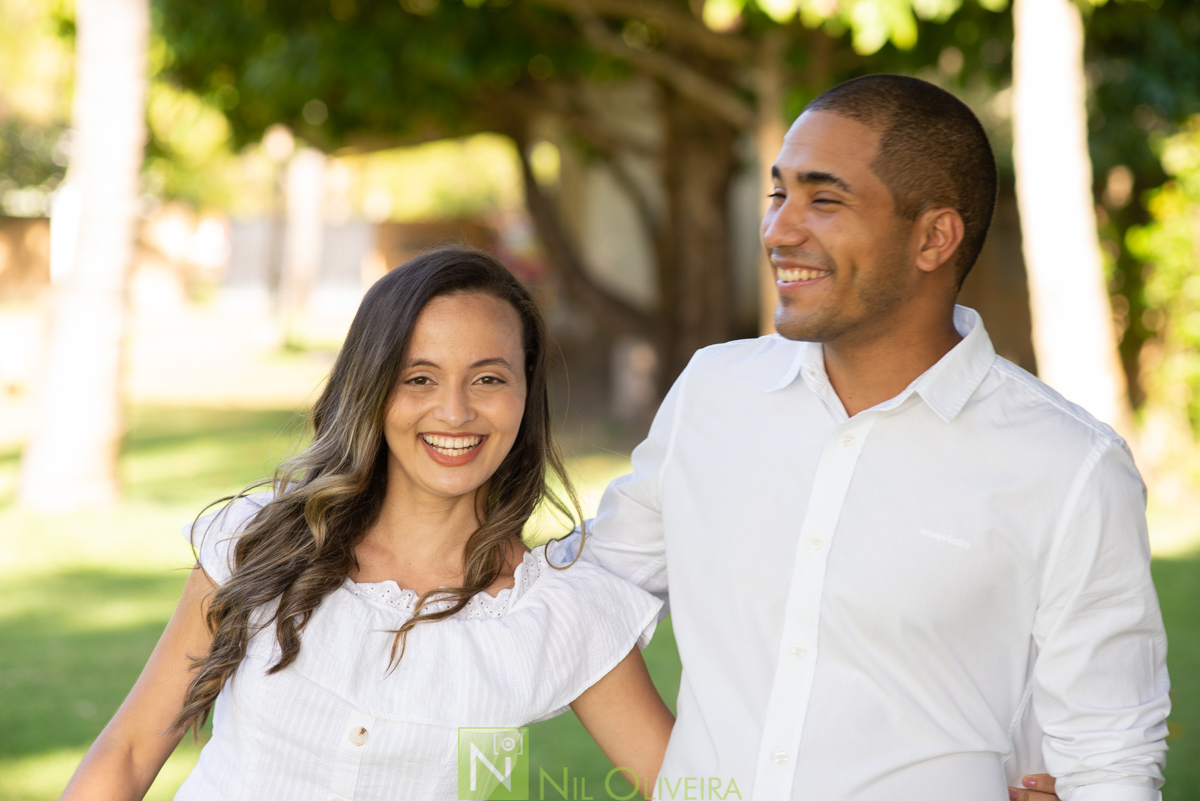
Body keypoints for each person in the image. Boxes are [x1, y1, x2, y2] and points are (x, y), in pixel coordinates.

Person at [578, 74, 1169, 801]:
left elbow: (1111, 758)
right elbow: (587, 603)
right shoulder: (712, 394)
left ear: (933, 237)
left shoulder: (1071, 467)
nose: (778, 229)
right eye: (779, 193)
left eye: (824, 199)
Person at [59, 247, 675, 800]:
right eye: (419, 378)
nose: (455, 412)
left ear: (525, 391)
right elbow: (129, 755)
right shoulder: (262, 542)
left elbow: (690, 786)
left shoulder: (558, 614)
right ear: (373, 387)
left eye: (488, 378)